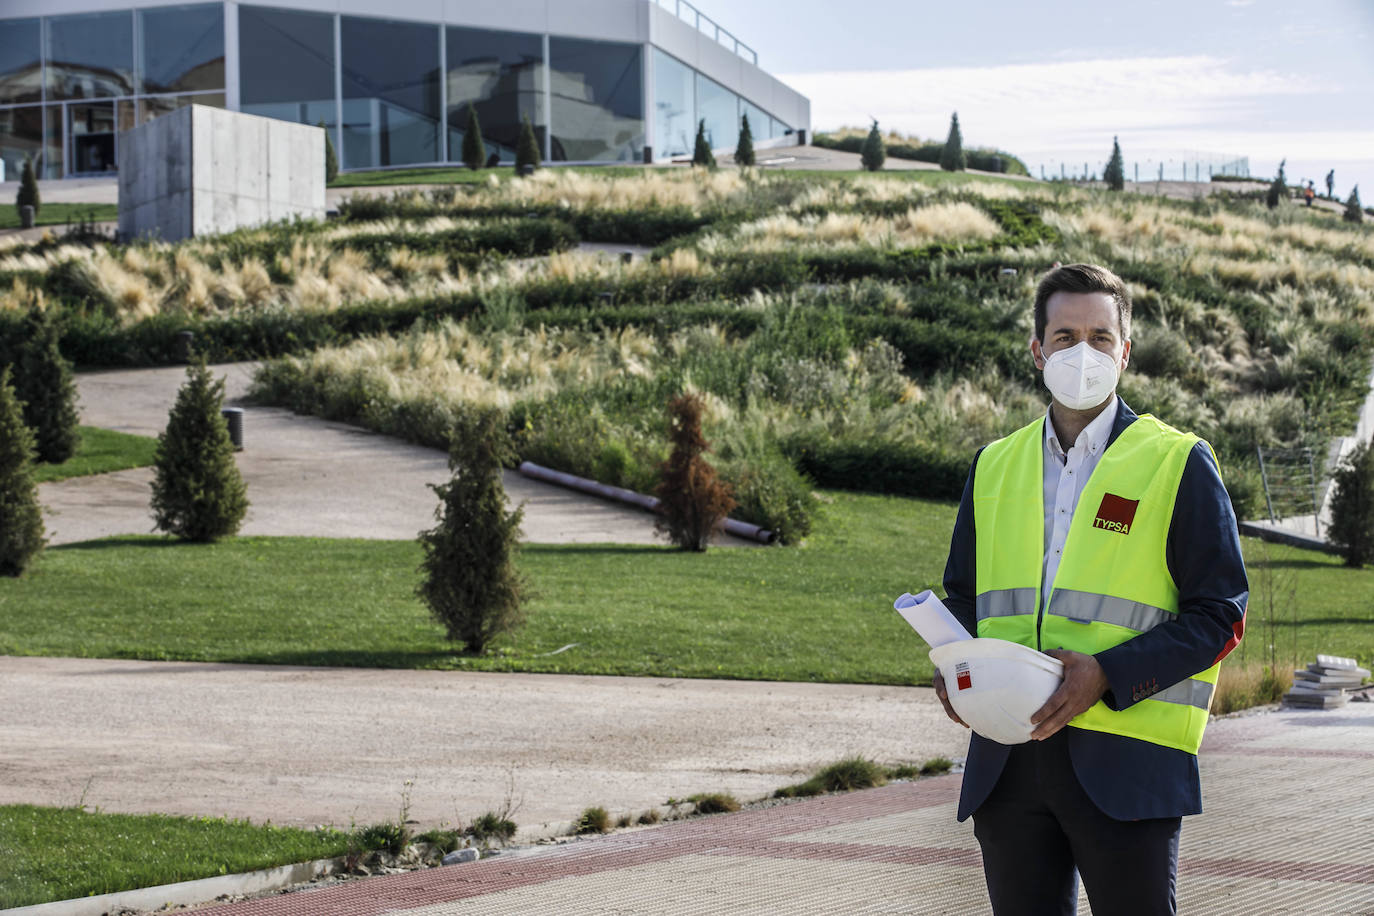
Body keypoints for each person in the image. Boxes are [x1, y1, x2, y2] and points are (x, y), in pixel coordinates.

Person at [936, 263, 1248, 916]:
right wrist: (953, 666)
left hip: (1128, 761)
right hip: (1008, 764)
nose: (1083, 353)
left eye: (1101, 338)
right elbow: (963, 596)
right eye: (1065, 335)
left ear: (1125, 352)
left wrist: (1106, 673)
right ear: (1036, 350)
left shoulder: (1177, 461)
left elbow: (1220, 613)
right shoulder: (994, 464)